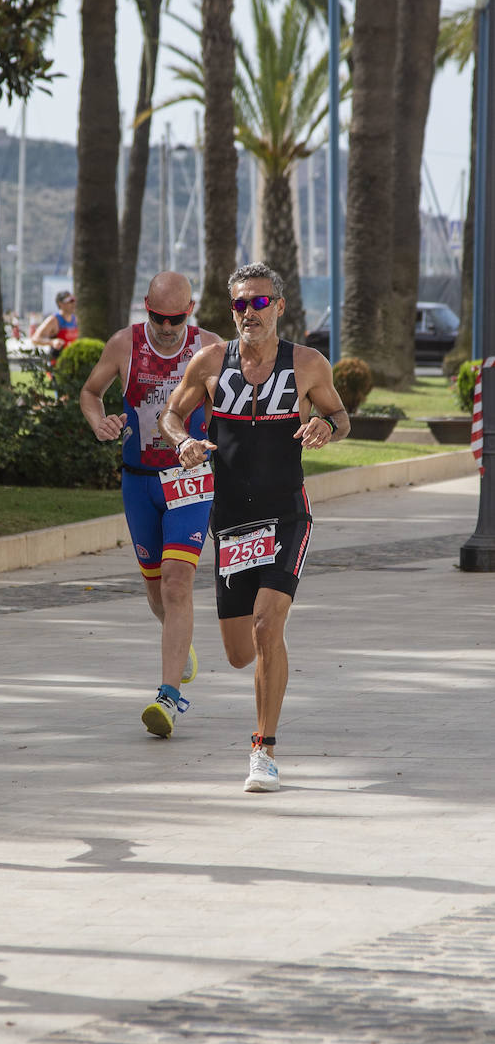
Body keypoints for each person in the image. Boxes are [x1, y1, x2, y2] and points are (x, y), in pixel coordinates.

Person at [159, 262, 350, 793]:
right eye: (240, 304)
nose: (249, 313)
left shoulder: (308, 364)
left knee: (269, 627)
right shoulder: (210, 362)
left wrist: (323, 426)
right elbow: (171, 415)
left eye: (259, 302)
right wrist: (183, 441)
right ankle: (265, 676)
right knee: (241, 652)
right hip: (234, 521)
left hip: (287, 513)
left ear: (279, 307)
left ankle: (263, 750)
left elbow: (341, 417)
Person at [79, 272, 223, 738]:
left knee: (179, 586)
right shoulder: (125, 344)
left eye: (175, 318)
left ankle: (168, 695)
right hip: (139, 482)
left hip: (189, 480)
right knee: (159, 595)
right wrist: (99, 421)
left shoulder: (210, 347)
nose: (165, 326)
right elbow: (89, 391)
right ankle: (177, 644)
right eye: (157, 317)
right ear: (146, 307)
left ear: (191, 309)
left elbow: (236, 408)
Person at [31, 289, 79, 367]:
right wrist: (52, 342)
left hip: (71, 364)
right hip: (56, 364)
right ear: (60, 304)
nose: (73, 303)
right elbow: (35, 339)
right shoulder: (53, 320)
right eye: (70, 301)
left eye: (74, 300)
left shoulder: (75, 319)